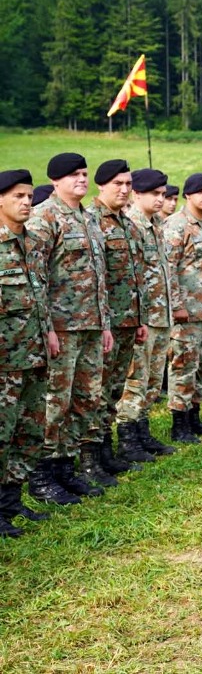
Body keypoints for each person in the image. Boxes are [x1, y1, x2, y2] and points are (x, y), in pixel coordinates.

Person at [27, 153, 114, 505]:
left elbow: (100, 279)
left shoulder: (89, 218)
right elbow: (37, 278)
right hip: (61, 329)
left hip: (91, 325)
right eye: (73, 175)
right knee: (54, 404)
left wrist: (105, 324)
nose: (81, 179)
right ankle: (42, 476)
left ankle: (66, 468)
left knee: (85, 400)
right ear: (55, 181)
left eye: (84, 174)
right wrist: (46, 329)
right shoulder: (44, 217)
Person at [0, 169, 56, 535]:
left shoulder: (33, 241)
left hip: (35, 354)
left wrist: (49, 330)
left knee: (29, 432)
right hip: (6, 361)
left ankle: (10, 503)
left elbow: (40, 293)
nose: (26, 202)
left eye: (29, 195)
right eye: (18, 196)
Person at [91, 159, 149, 486]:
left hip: (128, 321)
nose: (124, 189)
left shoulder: (126, 223)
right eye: (118, 184)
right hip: (104, 325)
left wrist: (138, 319)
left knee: (114, 390)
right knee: (96, 392)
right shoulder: (93, 222)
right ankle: (92, 458)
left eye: (128, 184)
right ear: (102, 186)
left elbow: (134, 277)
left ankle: (106, 452)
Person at [115, 168, 176, 463]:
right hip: (143, 319)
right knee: (135, 381)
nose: (161, 199)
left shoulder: (157, 224)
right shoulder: (133, 226)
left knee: (152, 380)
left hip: (161, 315)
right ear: (137, 194)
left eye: (163, 194)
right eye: (155, 194)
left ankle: (142, 430)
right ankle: (127, 438)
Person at [163, 173, 202, 442]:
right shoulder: (176, 226)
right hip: (187, 312)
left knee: (201, 366)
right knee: (182, 367)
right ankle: (179, 423)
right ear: (188, 195)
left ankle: (194, 417)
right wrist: (176, 306)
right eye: (201, 191)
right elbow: (169, 269)